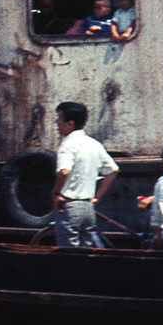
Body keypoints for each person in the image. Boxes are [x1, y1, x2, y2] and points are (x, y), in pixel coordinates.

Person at [52, 101, 119, 248]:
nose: (57, 123)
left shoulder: (67, 145)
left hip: (70, 206)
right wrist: (97, 197)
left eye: (59, 118)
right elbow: (113, 171)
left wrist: (57, 193)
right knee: (86, 251)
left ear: (70, 124)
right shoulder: (94, 144)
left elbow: (64, 171)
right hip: (88, 207)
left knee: (68, 253)